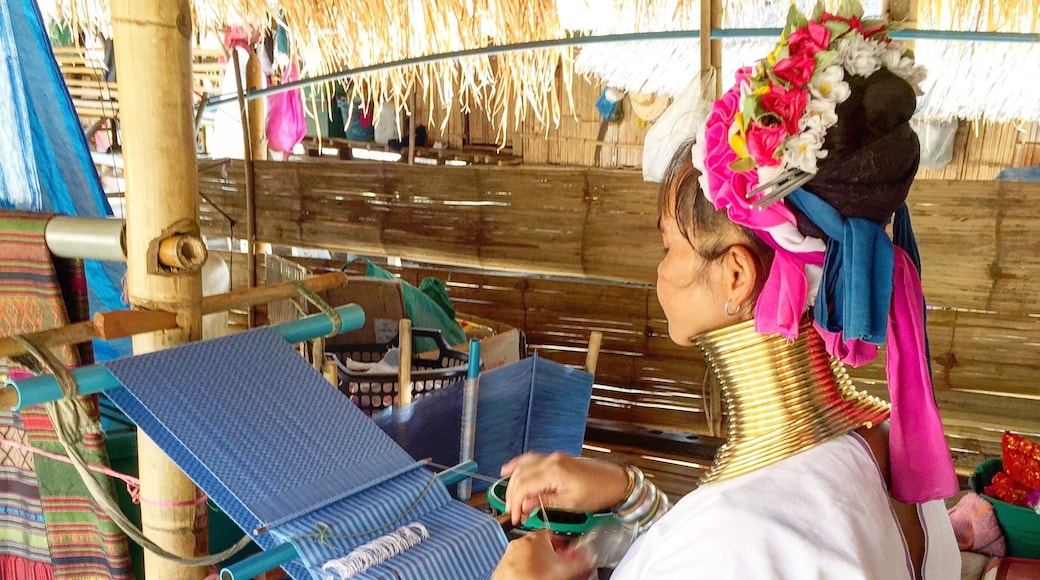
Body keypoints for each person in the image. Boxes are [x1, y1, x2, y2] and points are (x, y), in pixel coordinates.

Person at [492, 3, 961, 578]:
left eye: (670, 245)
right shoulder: (884, 449)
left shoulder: (742, 530)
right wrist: (630, 493)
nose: (660, 271)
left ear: (736, 276)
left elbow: (732, 548)